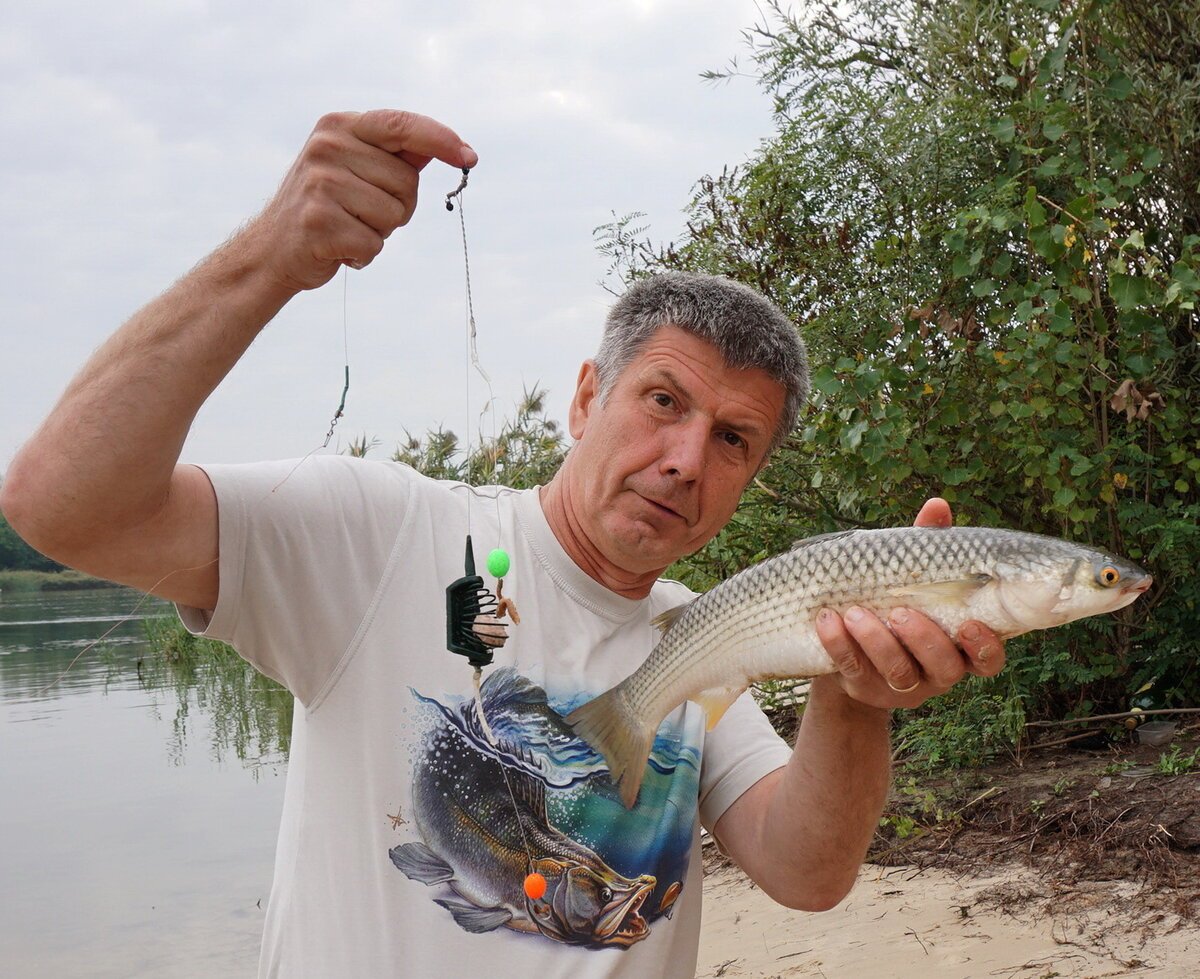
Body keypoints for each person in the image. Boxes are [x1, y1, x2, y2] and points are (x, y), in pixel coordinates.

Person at [0, 110, 1005, 977]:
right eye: (663, 400)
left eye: (732, 439)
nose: (686, 459)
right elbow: (62, 506)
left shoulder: (705, 633)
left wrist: (855, 697)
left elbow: (807, 870)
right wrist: (274, 256)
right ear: (584, 399)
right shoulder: (382, 533)